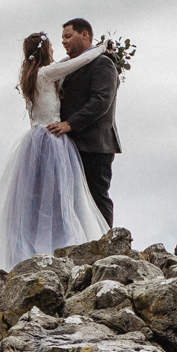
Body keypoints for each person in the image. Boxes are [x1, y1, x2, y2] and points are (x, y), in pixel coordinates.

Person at [0, 29, 111, 269]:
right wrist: (100, 49)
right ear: (45, 50)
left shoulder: (31, 76)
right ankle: (63, 245)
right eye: (51, 47)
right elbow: (78, 62)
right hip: (51, 139)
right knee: (60, 196)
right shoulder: (47, 74)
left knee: (35, 199)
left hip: (33, 141)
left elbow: (64, 63)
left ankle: (33, 250)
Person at [45, 18, 121, 226]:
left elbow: (101, 100)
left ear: (85, 35)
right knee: (75, 200)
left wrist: (71, 123)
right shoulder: (70, 67)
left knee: (96, 195)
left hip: (95, 144)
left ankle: (106, 242)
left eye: (68, 36)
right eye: (62, 39)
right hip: (73, 144)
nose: (64, 42)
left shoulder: (102, 63)